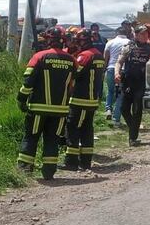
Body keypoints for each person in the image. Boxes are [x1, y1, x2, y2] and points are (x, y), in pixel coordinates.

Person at [16, 27, 76, 180]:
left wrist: (21, 99)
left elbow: (28, 82)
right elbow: (71, 86)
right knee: (52, 139)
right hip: (60, 110)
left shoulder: (39, 57)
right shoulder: (71, 60)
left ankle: (24, 169)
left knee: (31, 137)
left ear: (48, 40)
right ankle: (49, 171)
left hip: (38, 108)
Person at [64, 29, 106, 170]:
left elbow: (74, 74)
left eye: (79, 41)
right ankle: (85, 162)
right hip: (92, 100)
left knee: (73, 129)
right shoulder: (99, 55)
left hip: (80, 100)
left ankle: (71, 163)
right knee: (87, 130)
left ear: (84, 41)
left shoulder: (85, 56)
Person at [116, 25, 150, 146]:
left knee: (137, 110)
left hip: (141, 83)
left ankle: (133, 138)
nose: (145, 36)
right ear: (136, 35)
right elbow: (119, 61)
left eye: (146, 34)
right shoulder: (129, 47)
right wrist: (117, 73)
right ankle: (134, 128)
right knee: (123, 108)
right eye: (142, 34)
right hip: (127, 82)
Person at [103, 25, 131, 125]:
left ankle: (108, 109)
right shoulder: (129, 42)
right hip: (122, 70)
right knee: (120, 95)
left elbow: (105, 57)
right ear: (126, 33)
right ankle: (116, 118)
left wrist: (104, 69)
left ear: (116, 33)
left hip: (110, 68)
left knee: (110, 91)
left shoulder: (110, 42)